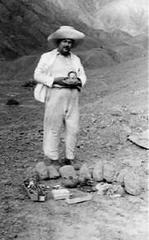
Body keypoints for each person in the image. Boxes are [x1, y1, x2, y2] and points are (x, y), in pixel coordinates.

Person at [33, 26, 87, 166]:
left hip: (73, 97)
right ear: (58, 42)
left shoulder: (75, 59)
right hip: (56, 95)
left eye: (70, 42)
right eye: (64, 41)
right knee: (53, 127)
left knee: (73, 128)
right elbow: (38, 75)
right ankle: (53, 159)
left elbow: (82, 75)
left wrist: (78, 80)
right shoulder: (47, 57)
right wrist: (55, 80)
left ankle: (70, 157)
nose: (67, 45)